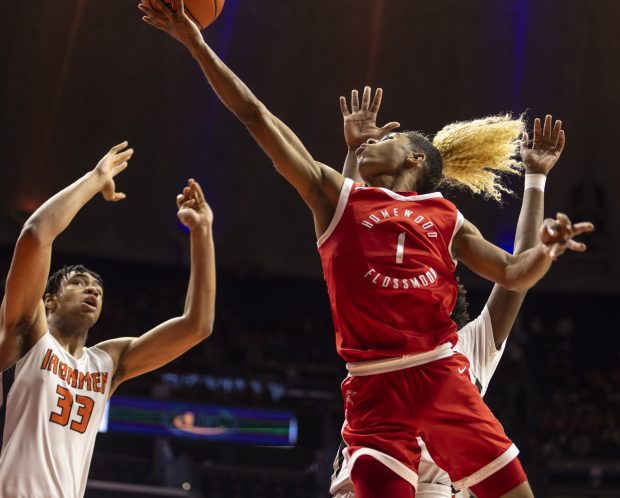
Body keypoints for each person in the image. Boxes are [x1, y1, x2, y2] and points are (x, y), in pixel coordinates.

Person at [138, 2, 593, 496]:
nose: (380, 134)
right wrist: (196, 44)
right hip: (374, 386)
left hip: (441, 373)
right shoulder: (336, 196)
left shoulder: (444, 214)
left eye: (391, 135)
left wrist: (546, 248)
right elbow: (255, 116)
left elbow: (511, 274)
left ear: (415, 157)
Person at [330, 95, 563, 498]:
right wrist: (355, 155)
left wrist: (536, 179)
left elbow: (516, 274)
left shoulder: (468, 344)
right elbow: (355, 224)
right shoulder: (381, 335)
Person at [0, 142, 216, 498]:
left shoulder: (106, 363)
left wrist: (202, 233)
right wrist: (95, 178)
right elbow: (36, 234)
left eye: (97, 288)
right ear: (49, 300)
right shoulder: (27, 333)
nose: (93, 291)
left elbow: (197, 325)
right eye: (79, 283)